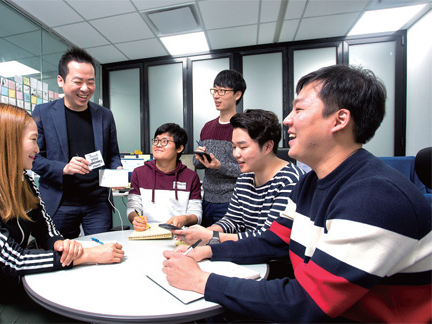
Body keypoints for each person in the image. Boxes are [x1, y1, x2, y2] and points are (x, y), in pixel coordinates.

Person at [162, 65, 432, 323]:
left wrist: (200, 280)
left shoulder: (375, 197)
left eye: (299, 109)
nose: (287, 120)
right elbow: (270, 242)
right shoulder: (310, 183)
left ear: (340, 119)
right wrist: (207, 252)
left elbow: (308, 302)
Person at [0, 104, 124, 320]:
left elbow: (46, 228)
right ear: (9, 141)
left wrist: (61, 244)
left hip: (15, 287)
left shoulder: (22, 180)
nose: (38, 149)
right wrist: (85, 256)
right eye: (33, 140)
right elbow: (11, 259)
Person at [175, 110, 305, 245]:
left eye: (243, 147)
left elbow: (269, 237)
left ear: (268, 146)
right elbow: (233, 220)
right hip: (247, 254)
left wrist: (212, 237)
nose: (236, 154)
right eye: (233, 147)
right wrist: (204, 233)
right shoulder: (245, 177)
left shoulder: (290, 181)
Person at [32, 47, 122, 239]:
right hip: (60, 201)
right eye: (78, 82)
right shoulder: (43, 113)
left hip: (97, 202)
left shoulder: (104, 115)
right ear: (60, 81)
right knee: (63, 258)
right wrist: (63, 167)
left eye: (90, 82)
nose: (85, 88)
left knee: (102, 252)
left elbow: (113, 154)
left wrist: (118, 169)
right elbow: (33, 159)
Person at [194, 69, 246, 227]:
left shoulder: (244, 127)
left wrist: (220, 166)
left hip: (232, 202)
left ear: (237, 95)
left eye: (222, 91)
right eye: (215, 90)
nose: (216, 95)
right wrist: (200, 158)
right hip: (207, 200)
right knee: (204, 246)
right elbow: (197, 165)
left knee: (224, 248)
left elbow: (249, 170)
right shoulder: (207, 127)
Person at [127, 123, 202, 231]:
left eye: (164, 141)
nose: (158, 145)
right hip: (146, 233)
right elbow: (133, 207)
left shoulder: (191, 177)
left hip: (178, 235)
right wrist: (136, 218)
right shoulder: (139, 173)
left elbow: (196, 214)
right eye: (156, 140)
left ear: (179, 148)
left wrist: (184, 219)